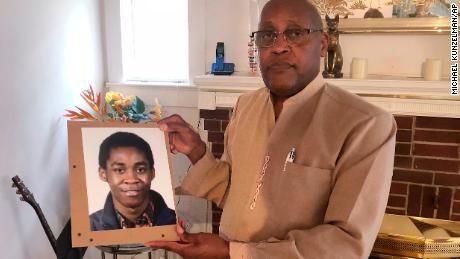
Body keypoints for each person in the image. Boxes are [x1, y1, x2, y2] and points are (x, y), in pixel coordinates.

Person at [146, 0, 396, 258]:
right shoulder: (246, 106)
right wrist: (197, 151)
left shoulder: (364, 125)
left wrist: (234, 253)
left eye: (295, 33)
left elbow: (345, 245)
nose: (278, 47)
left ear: (323, 45)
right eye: (267, 35)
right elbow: (234, 195)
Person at [90, 131, 176, 231]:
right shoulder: (89, 226)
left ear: (152, 173)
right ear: (103, 174)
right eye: (119, 170)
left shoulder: (177, 222)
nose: (131, 179)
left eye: (140, 169)